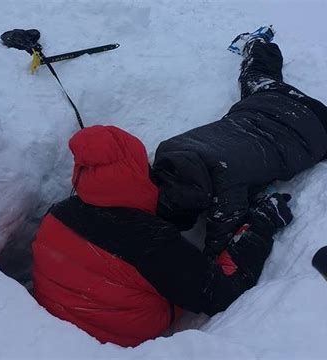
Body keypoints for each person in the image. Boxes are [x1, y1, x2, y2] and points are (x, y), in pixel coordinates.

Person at [27, 125, 292, 347]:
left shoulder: (59, 211)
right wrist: (261, 225)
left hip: (51, 330)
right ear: (135, 170)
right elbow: (221, 293)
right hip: (113, 339)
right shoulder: (152, 242)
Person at [152, 26, 327, 259]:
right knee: (256, 72)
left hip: (314, 127)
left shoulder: (226, 193)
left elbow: (218, 254)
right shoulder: (169, 149)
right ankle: (257, 43)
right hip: (266, 99)